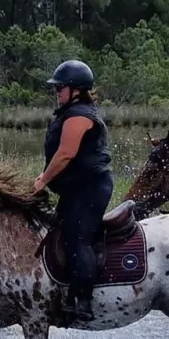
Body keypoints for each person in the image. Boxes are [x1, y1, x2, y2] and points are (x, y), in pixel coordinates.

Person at [32, 59, 113, 321]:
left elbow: (66, 154)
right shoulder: (72, 112)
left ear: (76, 90)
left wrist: (43, 180)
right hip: (77, 188)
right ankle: (63, 289)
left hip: (90, 188)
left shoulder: (79, 115)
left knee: (77, 236)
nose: (57, 92)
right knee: (58, 230)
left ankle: (84, 301)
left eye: (60, 88)